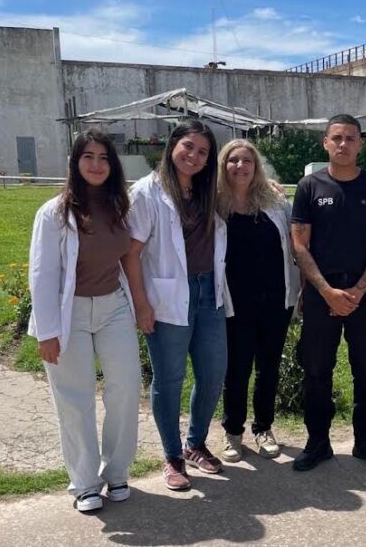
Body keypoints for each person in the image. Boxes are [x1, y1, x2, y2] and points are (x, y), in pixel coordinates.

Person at [28, 129, 141, 512]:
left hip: (113, 307)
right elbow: (42, 275)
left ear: (113, 164)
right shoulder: (55, 212)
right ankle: (85, 482)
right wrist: (47, 332)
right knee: (74, 398)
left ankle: (117, 472)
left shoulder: (121, 206)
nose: (96, 164)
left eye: (104, 157)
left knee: (125, 389)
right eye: (88, 156)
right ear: (75, 162)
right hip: (68, 312)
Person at [123, 120, 232, 490]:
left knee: (214, 373)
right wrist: (141, 305)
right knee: (169, 380)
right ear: (172, 146)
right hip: (168, 297)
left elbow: (250, 190)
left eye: (203, 152)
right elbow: (131, 254)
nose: (194, 156)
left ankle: (195, 444)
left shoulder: (207, 191)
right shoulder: (146, 192)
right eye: (188, 146)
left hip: (209, 295)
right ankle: (171, 456)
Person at [290, 114, 366, 471]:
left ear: (360, 143)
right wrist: (328, 291)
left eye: (350, 138)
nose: (343, 144)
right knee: (317, 371)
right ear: (325, 142)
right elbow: (299, 246)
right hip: (321, 294)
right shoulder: (309, 187)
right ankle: (317, 443)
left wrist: (358, 290)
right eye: (336, 138)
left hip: (363, 295)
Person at [216, 139, 299, 462]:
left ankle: (263, 427)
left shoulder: (275, 201)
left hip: (275, 299)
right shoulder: (215, 205)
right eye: (233, 160)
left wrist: (302, 290)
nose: (240, 166)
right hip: (234, 303)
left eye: (247, 160)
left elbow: (296, 244)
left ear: (256, 166)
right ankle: (232, 433)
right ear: (224, 165)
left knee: (269, 367)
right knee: (235, 370)